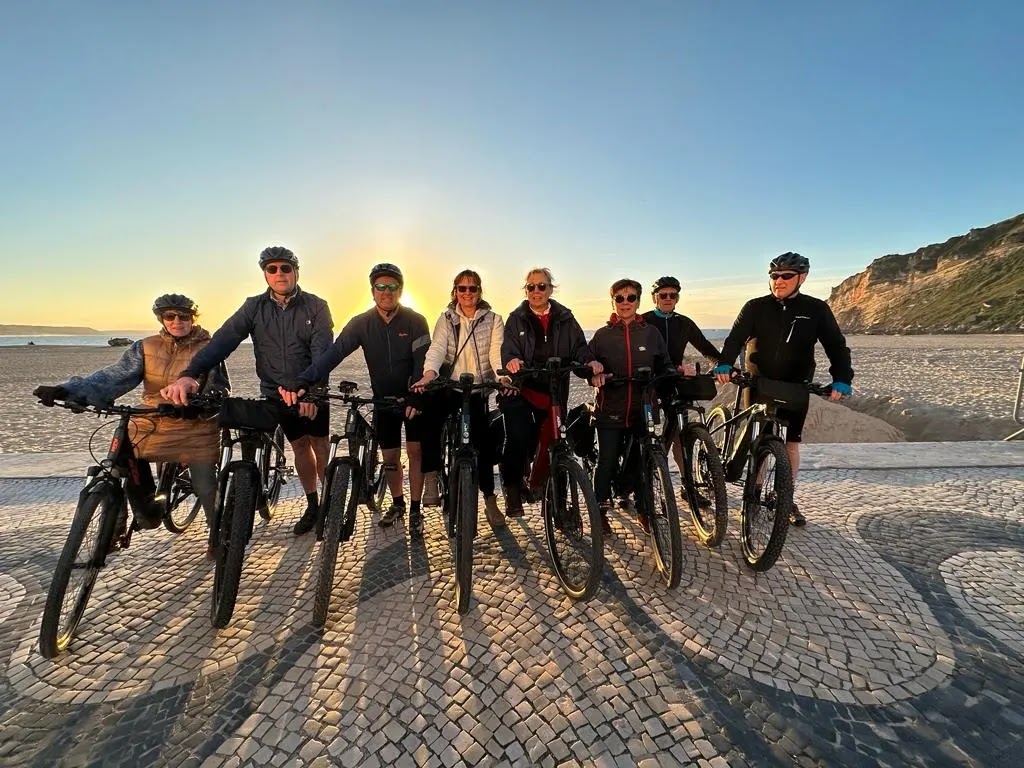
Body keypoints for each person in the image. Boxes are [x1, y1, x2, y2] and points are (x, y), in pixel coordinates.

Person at [34, 294, 229, 558]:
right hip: (150, 418)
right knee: (119, 463)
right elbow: (114, 377)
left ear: (193, 318)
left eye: (183, 316)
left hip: (193, 422)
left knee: (204, 484)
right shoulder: (145, 346)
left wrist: (199, 404)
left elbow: (219, 387)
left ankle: (218, 534)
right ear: (161, 319)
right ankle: (115, 527)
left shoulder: (209, 348)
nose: (177, 321)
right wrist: (69, 390)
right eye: (170, 316)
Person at [161, 247, 334, 533]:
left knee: (320, 445)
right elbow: (223, 341)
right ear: (265, 274)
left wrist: (313, 392)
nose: (279, 273)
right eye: (272, 269)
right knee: (300, 446)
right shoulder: (254, 307)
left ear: (296, 271)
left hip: (311, 389)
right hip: (277, 392)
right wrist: (190, 374)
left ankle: (329, 501)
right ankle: (313, 504)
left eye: (285, 268)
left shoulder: (316, 306)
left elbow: (322, 352)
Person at [279, 263, 431, 536]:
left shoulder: (415, 320)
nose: (386, 291)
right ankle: (398, 503)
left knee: (415, 452)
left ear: (401, 290)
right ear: (372, 291)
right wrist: (305, 380)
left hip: (413, 398)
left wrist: (417, 394)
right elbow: (334, 353)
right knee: (390, 458)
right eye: (380, 286)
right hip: (383, 401)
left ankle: (416, 509)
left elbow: (422, 361)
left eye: (392, 286)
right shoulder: (362, 323)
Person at [713, 252, 853, 526]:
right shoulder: (755, 307)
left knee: (791, 444)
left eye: (786, 276)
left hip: (794, 387)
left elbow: (836, 346)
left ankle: (785, 497)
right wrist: (725, 364)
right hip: (758, 383)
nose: (779, 281)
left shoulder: (816, 309)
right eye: (774, 276)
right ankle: (754, 492)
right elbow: (735, 338)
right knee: (759, 440)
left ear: (802, 278)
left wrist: (842, 378)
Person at [500, 267, 602, 517]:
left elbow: (580, 347)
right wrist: (512, 361)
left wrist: (590, 363)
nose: (536, 291)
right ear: (526, 290)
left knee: (558, 442)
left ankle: (558, 505)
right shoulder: (516, 318)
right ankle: (513, 488)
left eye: (541, 286)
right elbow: (509, 348)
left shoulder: (565, 318)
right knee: (518, 435)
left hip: (555, 392)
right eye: (531, 287)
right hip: (523, 389)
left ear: (550, 289)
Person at [411, 269, 507, 530]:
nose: (467, 293)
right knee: (429, 418)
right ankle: (432, 476)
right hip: (450, 386)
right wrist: (429, 374)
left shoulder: (493, 319)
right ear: (455, 292)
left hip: (477, 389)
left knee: (483, 443)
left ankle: (490, 499)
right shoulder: (446, 318)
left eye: (472, 288)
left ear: (479, 291)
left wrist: (502, 377)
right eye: (462, 288)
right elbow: (437, 348)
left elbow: (496, 353)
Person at [589, 279, 673, 534]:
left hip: (644, 407)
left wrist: (675, 371)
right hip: (610, 408)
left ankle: (644, 509)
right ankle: (599, 511)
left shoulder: (651, 333)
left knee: (644, 461)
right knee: (607, 460)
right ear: (613, 301)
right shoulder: (602, 335)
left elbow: (664, 363)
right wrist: (594, 375)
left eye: (631, 298)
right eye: (620, 298)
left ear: (638, 301)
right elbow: (587, 365)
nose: (625, 303)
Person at [642, 276, 721, 477]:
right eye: (663, 295)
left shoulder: (684, 323)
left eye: (673, 295)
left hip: (674, 381)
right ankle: (647, 476)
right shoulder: (644, 321)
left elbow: (705, 347)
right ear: (655, 298)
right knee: (645, 432)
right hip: (648, 382)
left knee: (679, 436)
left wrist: (723, 365)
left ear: (677, 298)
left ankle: (687, 483)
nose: (668, 299)